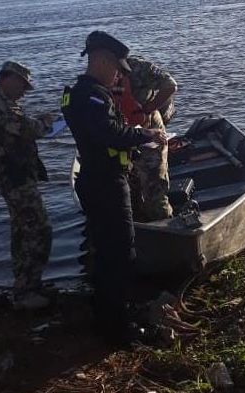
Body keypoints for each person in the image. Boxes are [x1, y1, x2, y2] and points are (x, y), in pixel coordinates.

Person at [61, 31, 167, 343]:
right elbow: (110, 133)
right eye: (117, 67)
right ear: (103, 60)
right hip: (106, 182)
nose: (119, 74)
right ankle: (118, 329)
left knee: (107, 252)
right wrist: (146, 135)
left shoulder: (77, 94)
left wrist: (131, 135)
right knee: (121, 253)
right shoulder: (92, 96)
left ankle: (108, 317)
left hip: (95, 179)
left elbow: (105, 132)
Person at [0, 61, 53, 309]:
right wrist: (45, 123)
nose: (24, 92)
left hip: (18, 173)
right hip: (12, 175)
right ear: (7, 78)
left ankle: (29, 285)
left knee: (27, 228)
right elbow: (23, 127)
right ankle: (25, 291)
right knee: (34, 227)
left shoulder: (2, 102)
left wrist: (41, 123)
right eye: (23, 85)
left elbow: (21, 126)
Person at [117, 56, 178, 221]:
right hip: (123, 133)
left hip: (149, 129)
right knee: (131, 187)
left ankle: (166, 228)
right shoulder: (99, 75)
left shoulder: (138, 67)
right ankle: (140, 226)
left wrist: (149, 108)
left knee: (155, 186)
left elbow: (170, 85)